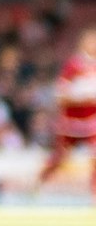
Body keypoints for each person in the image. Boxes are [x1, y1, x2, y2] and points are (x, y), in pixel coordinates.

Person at [38, 26, 96, 196]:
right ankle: (39, 184)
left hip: (92, 121)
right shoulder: (74, 65)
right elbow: (60, 93)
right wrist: (80, 95)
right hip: (71, 121)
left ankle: (94, 192)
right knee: (60, 156)